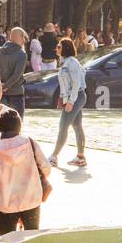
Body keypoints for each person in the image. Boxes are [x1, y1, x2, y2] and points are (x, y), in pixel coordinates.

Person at [0, 109, 51, 234]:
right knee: (32, 239)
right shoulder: (30, 143)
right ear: (19, 126)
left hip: (6, 205)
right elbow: (46, 169)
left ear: (0, 128)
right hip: (31, 201)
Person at [50, 38, 88, 169]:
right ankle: (80, 157)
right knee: (77, 126)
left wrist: (71, 101)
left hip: (76, 97)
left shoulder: (71, 63)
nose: (56, 48)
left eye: (59, 46)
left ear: (65, 48)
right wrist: (63, 98)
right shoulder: (66, 62)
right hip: (75, 97)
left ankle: (54, 156)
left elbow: (76, 83)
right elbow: (67, 85)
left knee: (63, 126)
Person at [0, 27, 29, 117]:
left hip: (1, 94)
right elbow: (17, 75)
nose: (24, 41)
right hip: (16, 93)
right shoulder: (22, 54)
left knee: (0, 125)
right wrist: (5, 86)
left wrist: (0, 86)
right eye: (24, 38)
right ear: (21, 37)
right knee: (17, 125)